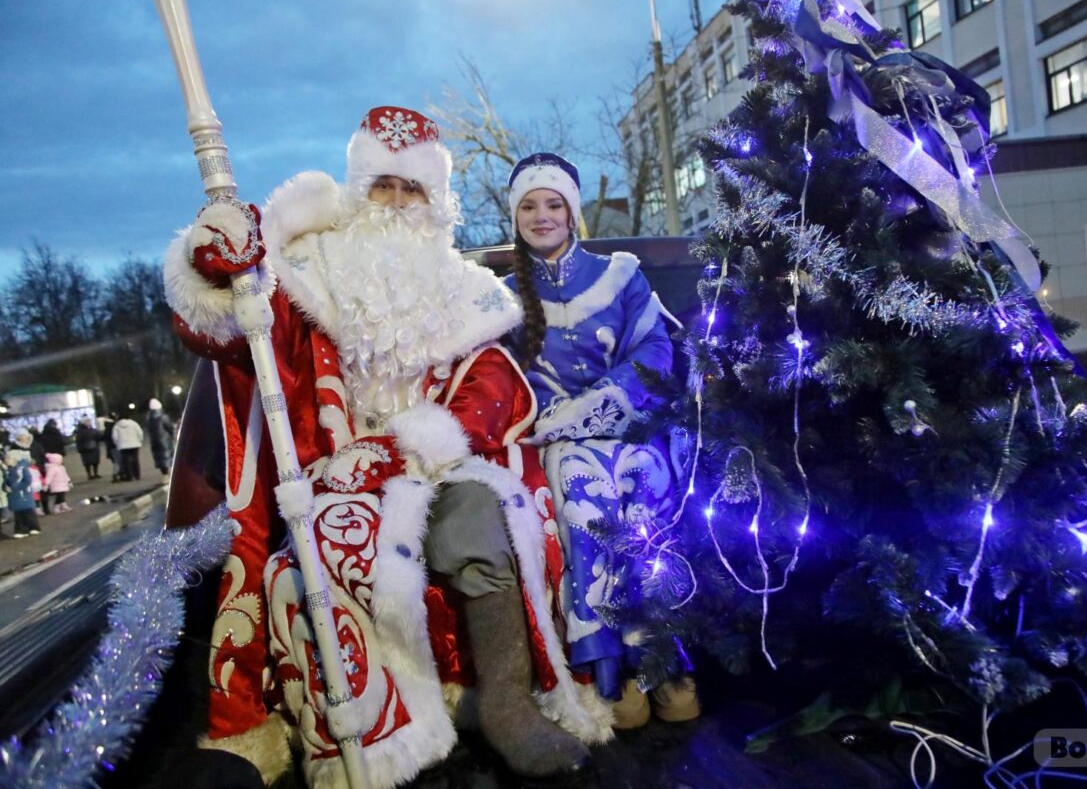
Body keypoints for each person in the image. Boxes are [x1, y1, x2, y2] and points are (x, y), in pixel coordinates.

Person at [163, 107, 609, 787]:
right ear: (357, 192)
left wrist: (417, 446)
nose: (399, 205)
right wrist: (219, 262)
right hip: (332, 473)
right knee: (328, 552)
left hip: (441, 460)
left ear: (436, 204)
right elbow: (230, 333)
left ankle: (509, 707)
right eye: (384, 187)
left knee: (485, 525)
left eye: (414, 191)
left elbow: (492, 385)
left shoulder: (466, 293)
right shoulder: (309, 276)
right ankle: (382, 737)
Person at [504, 152, 699, 728]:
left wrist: (606, 400)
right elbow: (497, 377)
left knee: (645, 478)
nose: (542, 216)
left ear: (573, 212)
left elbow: (656, 352)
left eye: (553, 204)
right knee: (581, 489)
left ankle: (662, 657)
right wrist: (557, 418)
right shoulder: (500, 296)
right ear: (515, 217)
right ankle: (613, 672)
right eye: (529, 206)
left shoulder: (620, 274)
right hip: (556, 438)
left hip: (630, 422)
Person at [4, 432, 41, 538]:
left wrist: (17, 488)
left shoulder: (21, 469)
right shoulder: (10, 470)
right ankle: (21, 530)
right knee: (19, 514)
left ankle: (33, 527)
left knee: (28, 512)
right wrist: (6, 487)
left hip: (22, 494)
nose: (6, 461)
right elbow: (7, 481)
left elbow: (27, 480)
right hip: (15, 495)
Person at [144, 398, 175, 477]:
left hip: (154, 441)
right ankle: (171, 475)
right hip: (165, 440)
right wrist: (173, 435)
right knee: (168, 456)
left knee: (160, 458)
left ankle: (164, 474)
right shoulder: (163, 417)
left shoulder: (148, 418)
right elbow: (169, 427)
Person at [111, 412, 144, 481]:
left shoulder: (116, 426)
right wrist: (139, 440)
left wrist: (117, 444)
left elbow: (115, 437)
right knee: (135, 460)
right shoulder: (133, 423)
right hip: (135, 444)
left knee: (126, 461)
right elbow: (140, 433)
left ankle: (129, 476)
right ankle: (137, 475)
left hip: (123, 446)